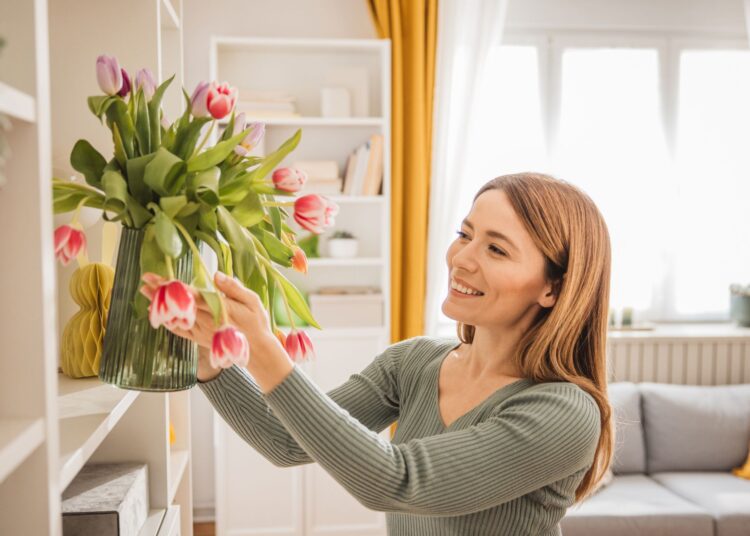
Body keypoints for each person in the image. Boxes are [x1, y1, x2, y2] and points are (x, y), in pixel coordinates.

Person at [141, 171, 614, 536]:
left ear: (552, 288)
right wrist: (210, 361)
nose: (462, 258)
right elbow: (285, 442)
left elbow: (397, 481)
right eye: (465, 233)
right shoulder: (414, 363)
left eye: (497, 249)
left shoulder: (564, 412)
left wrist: (264, 350)